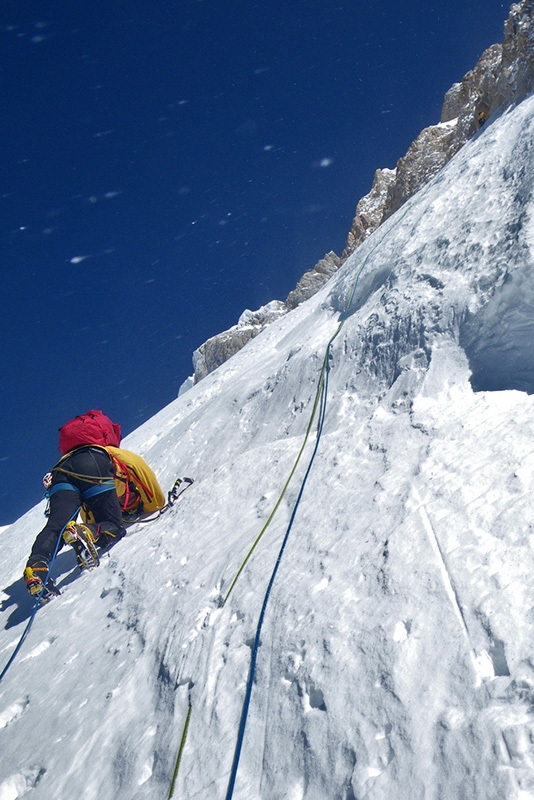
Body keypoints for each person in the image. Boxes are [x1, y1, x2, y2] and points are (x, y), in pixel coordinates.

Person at [24, 444, 127, 598]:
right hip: (92, 462)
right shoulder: (106, 448)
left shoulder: (66, 455)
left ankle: (36, 567)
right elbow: (131, 463)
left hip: (59, 472)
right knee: (114, 525)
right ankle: (86, 531)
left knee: (56, 526)